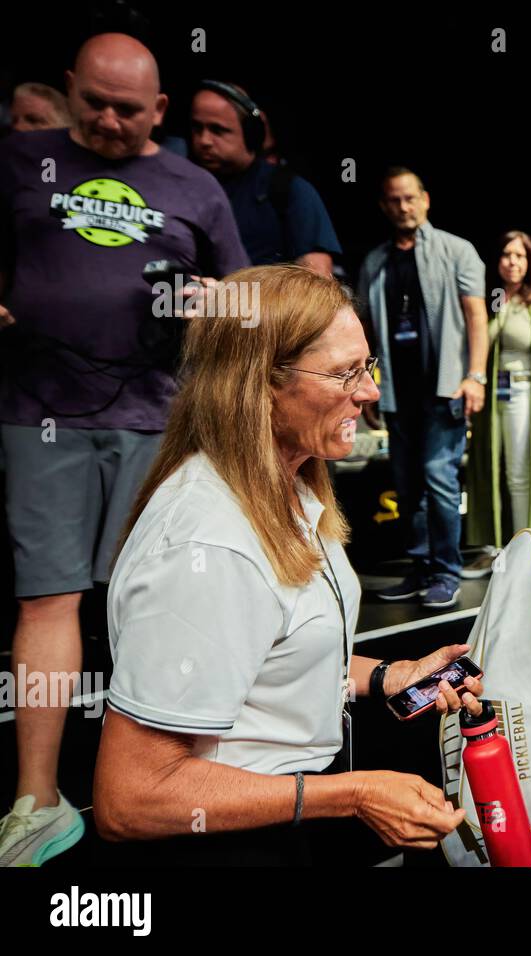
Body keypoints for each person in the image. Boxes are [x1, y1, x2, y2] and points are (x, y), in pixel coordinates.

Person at [91, 265, 483, 865]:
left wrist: (390, 674)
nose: (370, 391)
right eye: (344, 372)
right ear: (260, 384)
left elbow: (269, 652)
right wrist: (353, 794)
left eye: (367, 366)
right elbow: (132, 796)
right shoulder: (208, 546)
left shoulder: (290, 488)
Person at [0, 33, 249, 867]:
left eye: (129, 110)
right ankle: (36, 798)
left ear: (161, 111)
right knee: (48, 597)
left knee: (158, 597)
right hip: (41, 414)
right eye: (94, 103)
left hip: (158, 417)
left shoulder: (195, 187)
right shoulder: (19, 159)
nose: (108, 121)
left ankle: (166, 775)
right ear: (69, 87)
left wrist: (216, 302)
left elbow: (250, 306)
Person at [355, 167, 488, 607]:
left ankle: (446, 571)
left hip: (445, 389)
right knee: (407, 486)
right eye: (394, 200)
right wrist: (367, 381)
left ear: (426, 200)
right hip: (397, 392)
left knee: (439, 479)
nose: (403, 207)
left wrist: (475, 376)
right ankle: (418, 568)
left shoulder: (457, 250)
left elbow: (475, 318)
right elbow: (368, 330)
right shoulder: (375, 262)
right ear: (383, 205)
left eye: (410, 198)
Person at [464, 231, 531, 560]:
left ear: (529, 261)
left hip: (524, 393)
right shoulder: (491, 301)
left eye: (520, 255)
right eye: (507, 254)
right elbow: (482, 342)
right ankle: (495, 547)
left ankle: (522, 549)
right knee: (493, 470)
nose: (513, 261)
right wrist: (500, 307)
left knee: (519, 475)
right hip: (493, 398)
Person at [189, 81, 341, 276]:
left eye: (218, 130)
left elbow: (317, 283)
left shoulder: (289, 190)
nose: (203, 141)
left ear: (252, 133)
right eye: (196, 128)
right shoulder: (180, 186)